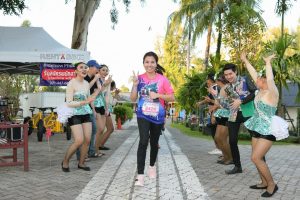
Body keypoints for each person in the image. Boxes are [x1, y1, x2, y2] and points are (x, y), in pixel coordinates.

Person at [130, 51, 174, 186]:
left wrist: (158, 95)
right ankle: (140, 175)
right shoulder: (139, 78)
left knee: (154, 143)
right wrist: (135, 85)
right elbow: (133, 99)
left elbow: (172, 97)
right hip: (143, 114)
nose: (149, 64)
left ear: (156, 64)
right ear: (143, 63)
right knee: (143, 141)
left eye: (152, 62)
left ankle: (152, 166)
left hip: (157, 116)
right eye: (146, 62)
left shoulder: (162, 79)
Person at [241, 52, 279, 197]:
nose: (255, 79)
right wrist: (245, 60)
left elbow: (270, 78)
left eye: (259, 78)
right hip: (257, 126)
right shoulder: (260, 90)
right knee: (258, 157)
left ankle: (271, 184)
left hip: (268, 129)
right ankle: (263, 182)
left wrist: (268, 63)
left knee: (255, 158)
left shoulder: (271, 91)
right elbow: (253, 73)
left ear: (265, 79)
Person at [62, 62, 98, 172]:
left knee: (87, 140)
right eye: (81, 67)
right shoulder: (71, 83)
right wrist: (83, 102)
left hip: (86, 112)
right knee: (79, 140)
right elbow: (69, 102)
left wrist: (93, 109)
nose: (84, 69)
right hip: (74, 113)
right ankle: (65, 161)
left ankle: (81, 163)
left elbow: (88, 98)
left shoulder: (87, 83)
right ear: (76, 71)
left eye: (85, 67)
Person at [222, 63, 256, 174]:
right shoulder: (227, 88)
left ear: (235, 72)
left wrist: (241, 101)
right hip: (233, 114)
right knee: (232, 141)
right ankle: (237, 166)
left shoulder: (245, 79)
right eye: (226, 75)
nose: (228, 77)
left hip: (247, 112)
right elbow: (228, 102)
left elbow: (254, 93)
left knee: (255, 139)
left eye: (230, 74)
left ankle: (261, 164)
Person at [75, 59, 101, 161]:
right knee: (81, 135)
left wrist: (93, 110)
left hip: (88, 108)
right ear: (90, 67)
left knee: (93, 129)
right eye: (96, 67)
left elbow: (92, 95)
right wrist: (96, 79)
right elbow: (84, 89)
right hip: (79, 108)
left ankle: (89, 152)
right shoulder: (83, 77)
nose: (98, 69)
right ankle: (81, 155)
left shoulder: (93, 78)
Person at [93, 64, 112, 157]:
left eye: (107, 70)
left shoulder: (107, 81)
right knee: (99, 129)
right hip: (95, 105)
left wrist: (107, 108)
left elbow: (107, 96)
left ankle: (96, 150)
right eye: (103, 70)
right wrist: (106, 84)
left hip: (103, 106)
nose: (105, 72)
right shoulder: (96, 79)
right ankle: (94, 150)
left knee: (101, 129)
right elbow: (98, 92)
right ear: (99, 71)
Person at [213, 75, 232, 165]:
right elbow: (218, 102)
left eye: (217, 81)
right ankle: (225, 156)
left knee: (223, 138)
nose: (216, 83)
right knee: (217, 138)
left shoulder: (227, 87)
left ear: (220, 81)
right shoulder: (221, 89)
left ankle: (230, 158)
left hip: (227, 115)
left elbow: (232, 100)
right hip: (222, 115)